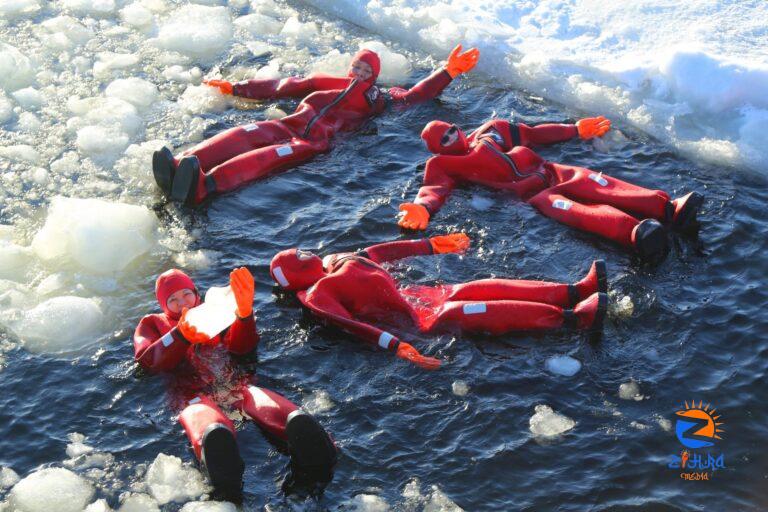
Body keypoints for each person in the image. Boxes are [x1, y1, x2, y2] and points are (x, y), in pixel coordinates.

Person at [153, 44, 480, 205]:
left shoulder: (378, 100)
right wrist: (237, 88)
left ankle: (204, 186)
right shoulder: (329, 81)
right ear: (351, 67)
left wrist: (447, 72)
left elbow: (415, 96)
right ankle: (183, 163)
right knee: (242, 134)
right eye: (358, 68)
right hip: (287, 126)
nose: (361, 75)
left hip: (311, 144)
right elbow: (284, 86)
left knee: (263, 158)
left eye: (368, 72)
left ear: (376, 76)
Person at [133, 267, 337, 500]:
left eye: (186, 294)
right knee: (211, 427)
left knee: (261, 400)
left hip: (234, 384)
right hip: (191, 395)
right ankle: (220, 465)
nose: (182, 303)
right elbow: (147, 362)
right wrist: (179, 335)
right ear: (163, 306)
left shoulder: (213, 312)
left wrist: (244, 314)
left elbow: (242, 348)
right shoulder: (152, 324)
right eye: (173, 300)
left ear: (196, 293)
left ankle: (308, 437)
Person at [269, 234, 607, 370]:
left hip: (420, 299)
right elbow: (352, 326)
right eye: (298, 257)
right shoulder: (317, 296)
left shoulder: (333, 260)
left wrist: (433, 244)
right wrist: (401, 347)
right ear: (295, 275)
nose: (306, 253)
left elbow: (383, 252)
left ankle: (575, 290)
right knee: (461, 310)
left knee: (476, 287)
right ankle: (574, 319)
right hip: (415, 323)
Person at [397, 117, 703, 263]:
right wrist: (423, 207)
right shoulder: (443, 165)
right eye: (446, 139)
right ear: (439, 149)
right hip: (535, 195)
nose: (455, 136)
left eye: (452, 129)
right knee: (581, 212)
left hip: (553, 171)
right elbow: (434, 188)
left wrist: (574, 129)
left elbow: (534, 133)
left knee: (603, 184)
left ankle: (667, 208)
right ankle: (635, 233)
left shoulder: (493, 130)